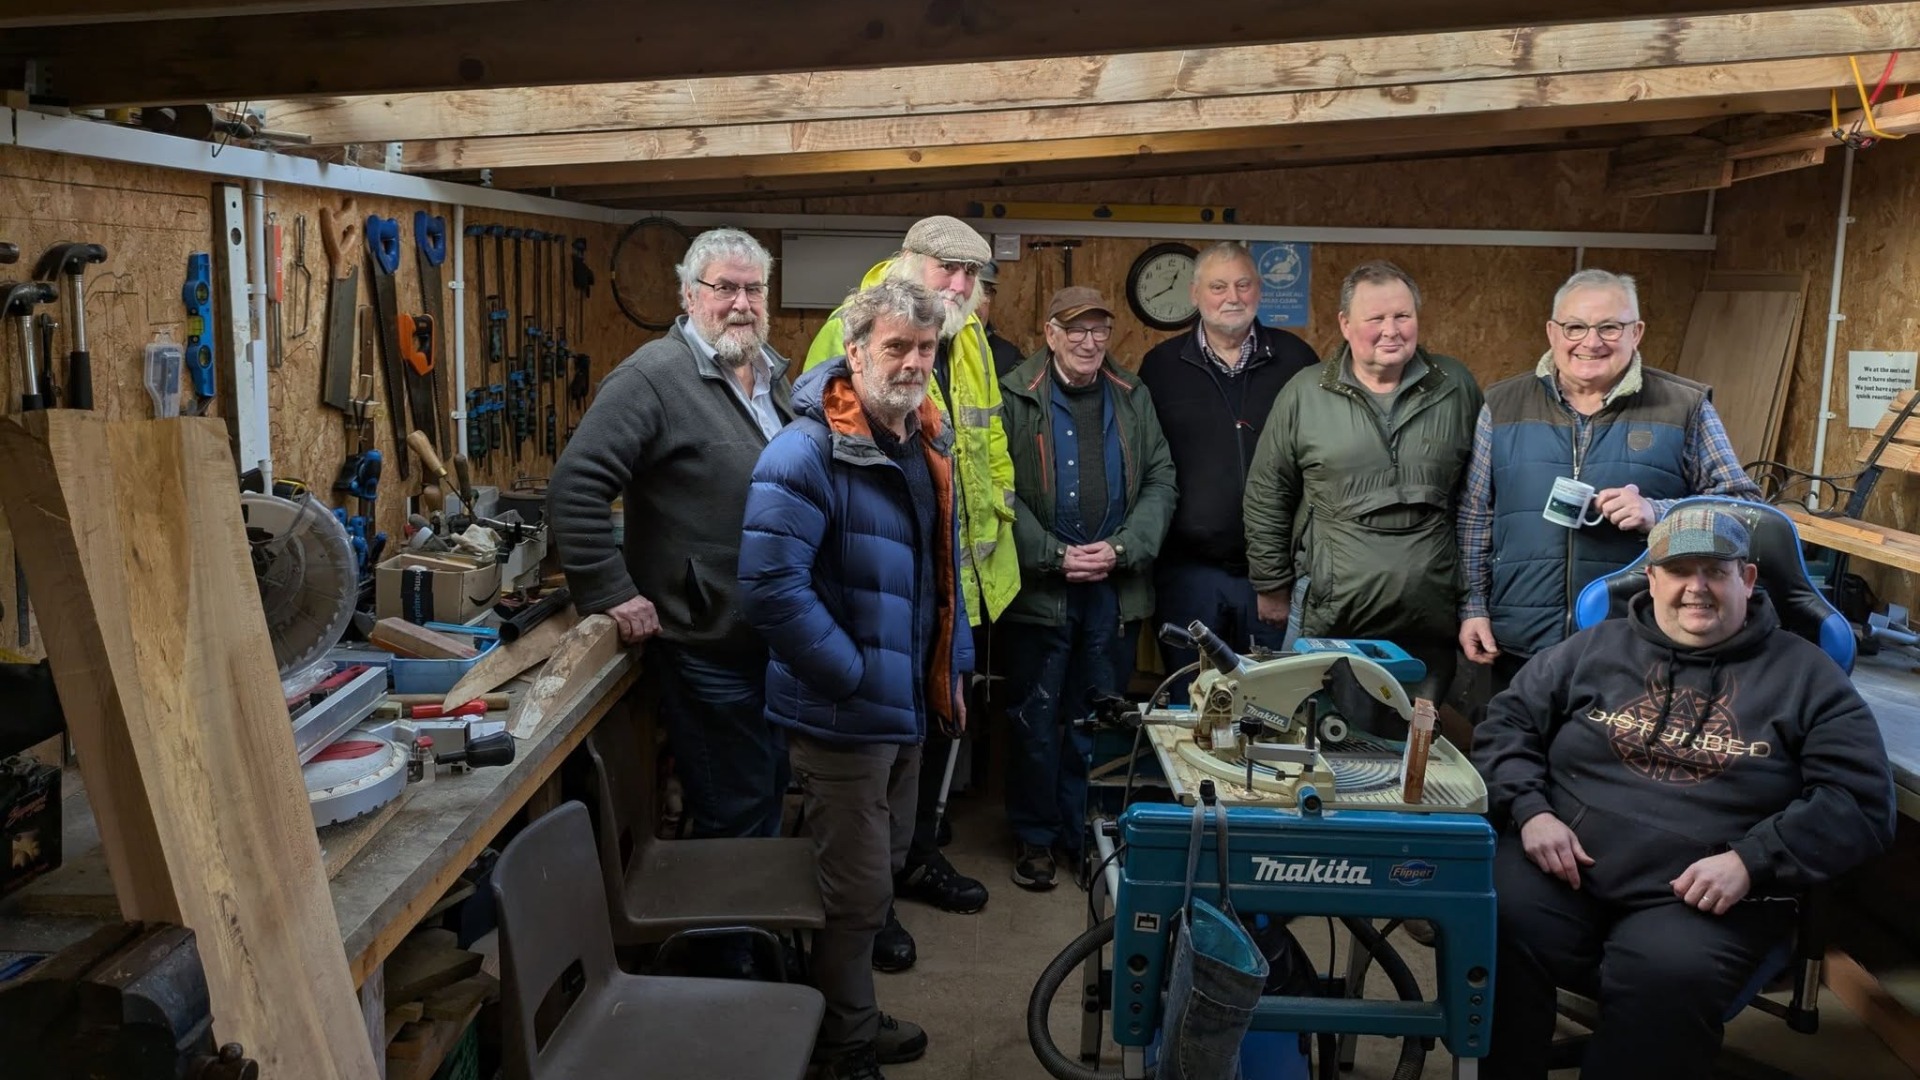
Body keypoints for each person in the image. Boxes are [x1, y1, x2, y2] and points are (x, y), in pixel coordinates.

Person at [1472, 505, 1894, 1080]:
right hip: (1562, 867)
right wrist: (1530, 812)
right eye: (1679, 570)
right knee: (1488, 916)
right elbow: (1506, 726)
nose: (1697, 588)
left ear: (1746, 579)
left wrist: (1752, 860)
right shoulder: (1591, 648)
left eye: (1715, 571)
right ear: (1652, 579)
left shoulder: (1808, 676)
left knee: (1665, 978)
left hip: (1704, 897)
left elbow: (1860, 803)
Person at [740, 280, 973, 1080]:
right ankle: (842, 1047)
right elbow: (770, 588)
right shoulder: (805, 453)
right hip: (844, 715)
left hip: (904, 702)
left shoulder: (923, 439)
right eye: (896, 346)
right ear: (855, 349)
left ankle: (853, 1017)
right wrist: (850, 676)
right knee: (854, 892)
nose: (912, 362)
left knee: (882, 875)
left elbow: (945, 571)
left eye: (925, 348)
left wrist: (954, 667)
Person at [805, 216, 1006, 959]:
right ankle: (871, 904)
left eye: (969, 275)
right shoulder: (851, 327)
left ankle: (917, 856)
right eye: (943, 269)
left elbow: (987, 448)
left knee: (930, 729)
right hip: (880, 579)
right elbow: (824, 456)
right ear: (904, 262)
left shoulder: (971, 336)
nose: (956, 286)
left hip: (956, 579)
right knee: (876, 752)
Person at [550, 227, 791, 840]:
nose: (742, 303)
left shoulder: (769, 375)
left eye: (754, 289)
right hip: (706, 640)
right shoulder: (652, 377)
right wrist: (609, 590)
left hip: (769, 637)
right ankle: (727, 936)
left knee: (764, 792)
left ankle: (756, 926)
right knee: (735, 810)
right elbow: (575, 486)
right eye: (725, 288)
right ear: (689, 295)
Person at [1457, 268, 1762, 696]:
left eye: (1609, 327)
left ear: (1636, 332)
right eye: (1575, 327)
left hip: (1637, 641)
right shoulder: (1503, 404)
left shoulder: (1683, 406)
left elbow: (1746, 509)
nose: (1591, 341)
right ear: (1552, 331)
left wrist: (1658, 512)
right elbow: (1476, 516)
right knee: (1514, 756)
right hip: (1520, 640)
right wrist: (1474, 607)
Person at [999, 286, 1176, 890]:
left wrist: (1123, 548)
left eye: (1100, 330)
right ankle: (1034, 836)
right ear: (1049, 334)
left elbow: (1160, 479)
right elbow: (999, 489)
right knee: (1034, 718)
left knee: (1094, 719)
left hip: (1112, 587)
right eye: (1075, 330)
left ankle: (1083, 832)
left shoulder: (1133, 396)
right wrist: (1050, 555)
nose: (1089, 341)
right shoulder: (1014, 393)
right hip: (1040, 589)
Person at [1243, 261, 1480, 703]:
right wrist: (1271, 584)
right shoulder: (1306, 393)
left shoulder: (1455, 386)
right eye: (1376, 319)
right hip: (1330, 606)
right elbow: (1267, 493)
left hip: (1428, 609)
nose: (1391, 330)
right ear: (1346, 324)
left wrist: (1474, 602)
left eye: (1402, 316)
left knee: (1412, 745)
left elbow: (1478, 499)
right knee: (1312, 728)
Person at [1137, 241, 1318, 682]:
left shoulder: (1298, 362)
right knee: (1190, 704)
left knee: (1270, 704)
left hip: (1275, 577)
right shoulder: (1160, 367)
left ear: (1259, 290)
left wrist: (1280, 575)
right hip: (1187, 576)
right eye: (1218, 286)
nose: (1232, 297)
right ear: (1195, 293)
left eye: (1243, 284)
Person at [979, 260, 1026, 379]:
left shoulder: (1008, 357)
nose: (979, 303)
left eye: (986, 292)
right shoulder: (931, 353)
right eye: (973, 291)